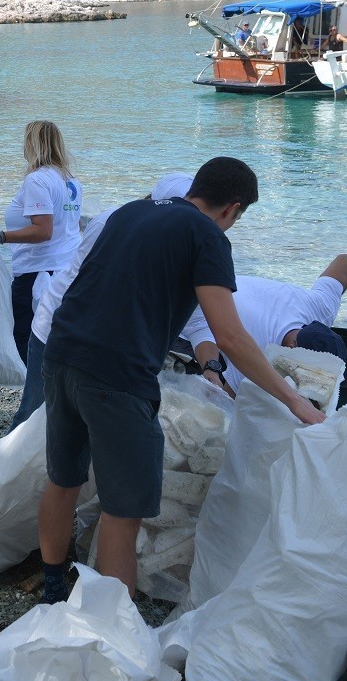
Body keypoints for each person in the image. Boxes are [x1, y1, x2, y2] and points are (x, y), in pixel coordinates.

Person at [35, 157, 325, 605]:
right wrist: (294, 400)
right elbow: (229, 334)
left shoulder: (131, 211)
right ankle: (114, 627)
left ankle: (52, 590)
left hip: (61, 354)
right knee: (122, 511)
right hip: (117, 377)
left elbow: (89, 282)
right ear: (232, 209)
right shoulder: (207, 236)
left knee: (64, 479)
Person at [7, 172, 194, 432]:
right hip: (60, 322)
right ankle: (2, 468)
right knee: (33, 413)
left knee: (77, 422)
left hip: (94, 332)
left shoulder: (168, 231)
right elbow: (95, 281)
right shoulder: (120, 221)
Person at [0, 121, 83, 366]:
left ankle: (29, 391)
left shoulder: (37, 180)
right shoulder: (71, 181)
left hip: (37, 272)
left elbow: (43, 230)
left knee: (25, 334)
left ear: (33, 144)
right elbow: (69, 225)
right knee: (54, 333)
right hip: (67, 269)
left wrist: (1, 237)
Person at [181, 255, 347, 397]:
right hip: (185, 312)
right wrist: (212, 373)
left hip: (225, 288)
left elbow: (345, 262)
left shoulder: (320, 308)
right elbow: (229, 406)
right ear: (292, 348)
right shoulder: (259, 352)